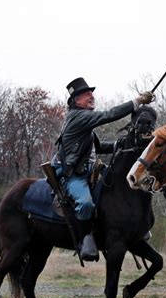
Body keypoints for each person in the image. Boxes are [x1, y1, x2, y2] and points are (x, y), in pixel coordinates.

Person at [52, 77, 154, 261]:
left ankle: (136, 227)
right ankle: (85, 239)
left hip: (90, 170)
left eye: (91, 93)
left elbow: (96, 148)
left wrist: (119, 145)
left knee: (119, 187)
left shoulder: (83, 120)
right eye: (86, 94)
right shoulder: (79, 117)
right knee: (86, 204)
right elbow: (109, 115)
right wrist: (137, 101)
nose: (91, 95)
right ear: (76, 101)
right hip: (73, 174)